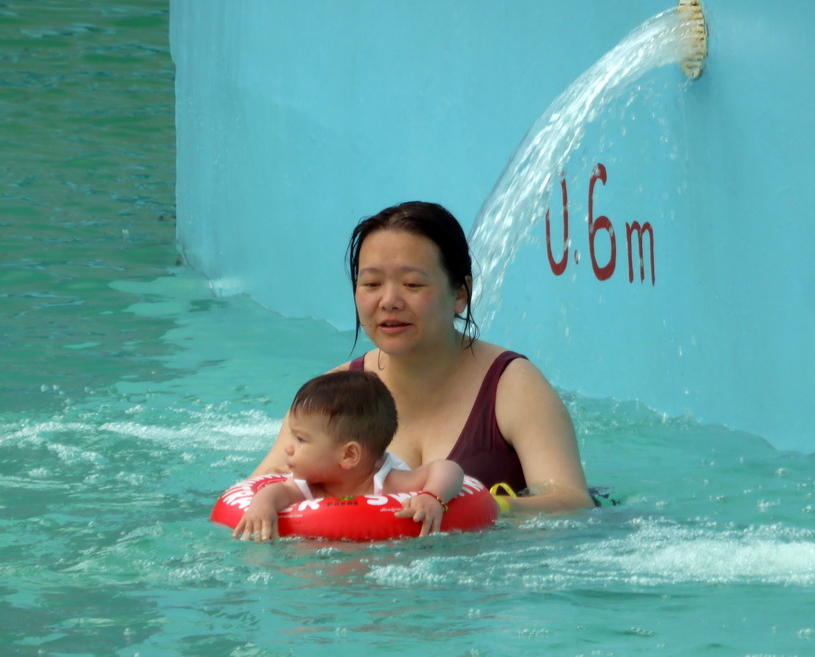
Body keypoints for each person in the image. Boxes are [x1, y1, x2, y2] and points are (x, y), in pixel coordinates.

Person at [251, 201, 594, 515]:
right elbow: (255, 492)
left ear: (461, 294)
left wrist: (475, 509)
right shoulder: (331, 398)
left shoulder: (512, 385)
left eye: (413, 285)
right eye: (371, 284)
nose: (389, 301)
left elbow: (573, 504)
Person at [235, 371, 464, 542]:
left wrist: (433, 497)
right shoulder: (308, 486)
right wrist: (261, 505)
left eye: (301, 440)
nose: (288, 448)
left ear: (348, 455)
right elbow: (277, 492)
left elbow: (448, 469)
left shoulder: (388, 484)